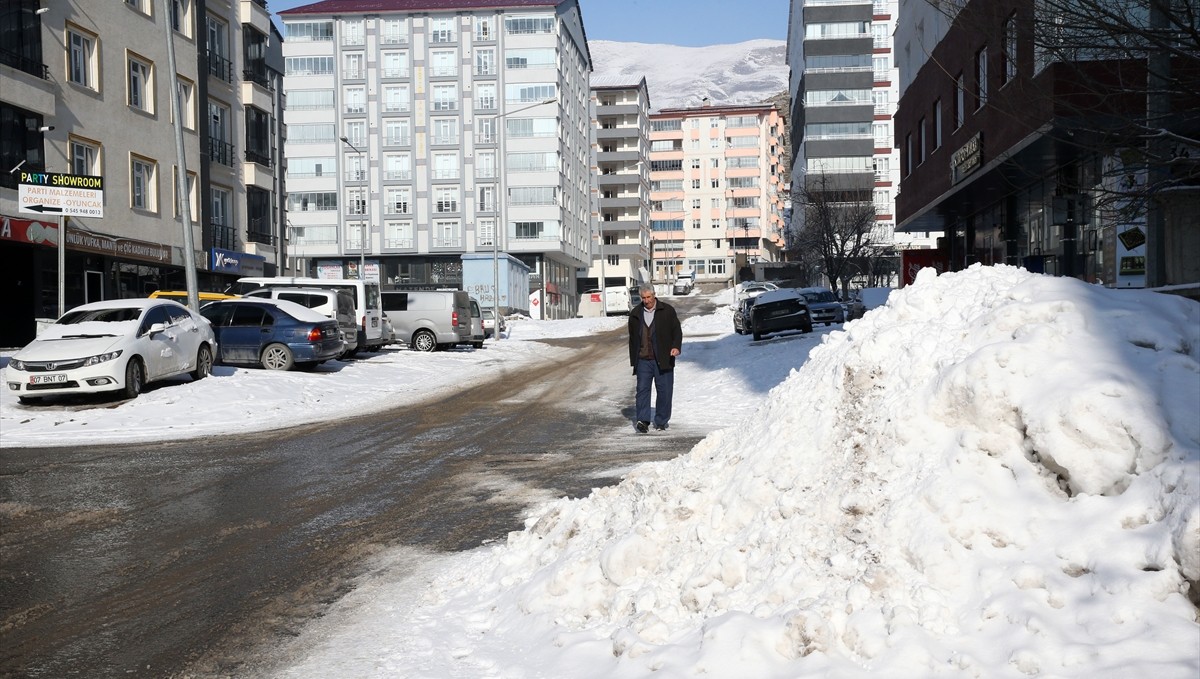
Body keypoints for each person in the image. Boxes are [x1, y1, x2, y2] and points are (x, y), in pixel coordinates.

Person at [627, 285, 682, 433]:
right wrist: (635, 360)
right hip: (643, 359)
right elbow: (633, 338)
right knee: (642, 391)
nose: (646, 301)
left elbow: (677, 331)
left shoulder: (667, 311)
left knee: (664, 391)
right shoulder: (635, 314)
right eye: (643, 298)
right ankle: (643, 420)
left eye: (648, 297)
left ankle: (661, 421)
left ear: (654, 295)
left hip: (664, 359)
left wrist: (676, 346)